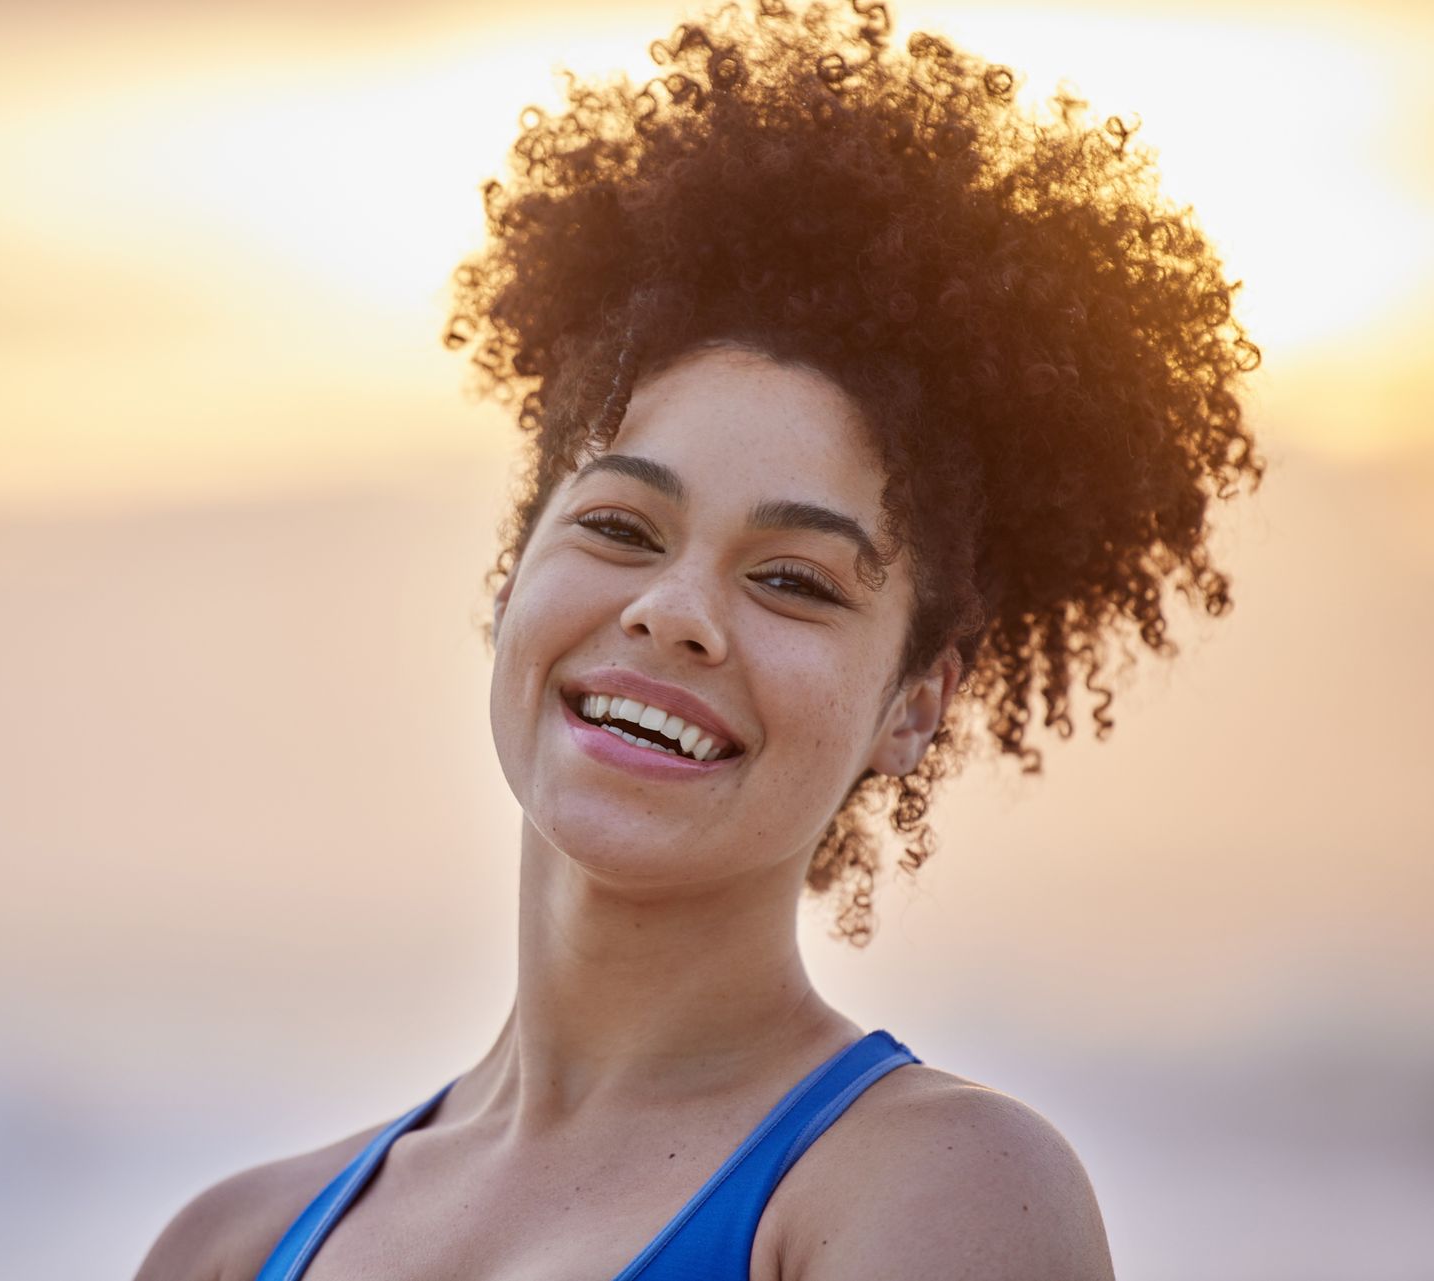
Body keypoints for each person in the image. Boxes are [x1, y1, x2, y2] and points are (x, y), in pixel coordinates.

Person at [138, 1, 1263, 1276]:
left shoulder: (934, 1188)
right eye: (621, 526)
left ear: (913, 703)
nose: (673, 610)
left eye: (792, 581)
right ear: (516, 571)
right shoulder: (227, 1246)